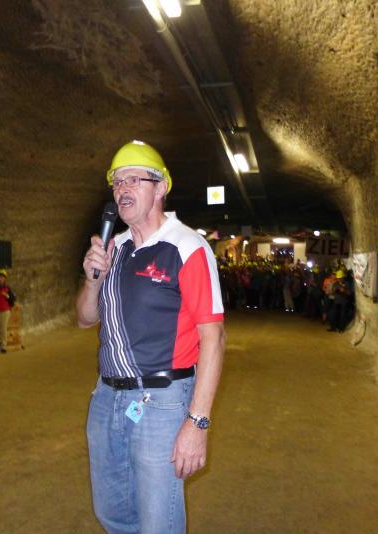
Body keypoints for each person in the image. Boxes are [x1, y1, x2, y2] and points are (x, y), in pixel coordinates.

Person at [77, 140, 226, 533]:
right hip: (107, 397)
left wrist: (197, 422)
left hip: (161, 401)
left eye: (133, 180)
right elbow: (85, 319)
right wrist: (92, 280)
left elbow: (213, 338)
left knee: (159, 522)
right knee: (112, 512)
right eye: (116, 182)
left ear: (160, 188)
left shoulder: (187, 247)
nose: (122, 190)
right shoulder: (114, 248)